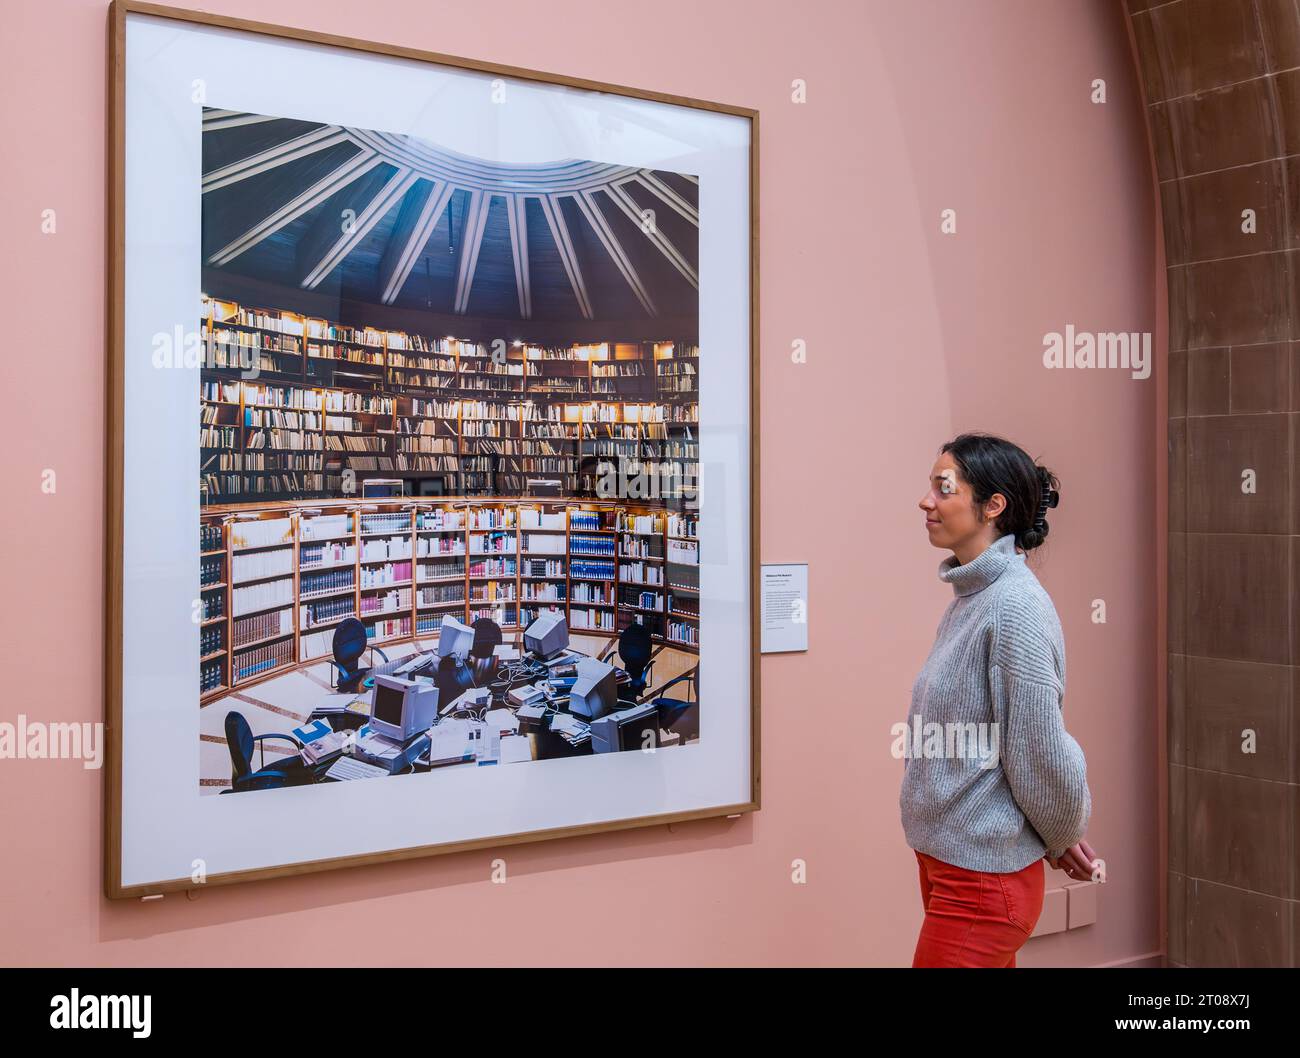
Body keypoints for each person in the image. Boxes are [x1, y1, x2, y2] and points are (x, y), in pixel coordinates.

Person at [901, 432, 1098, 968]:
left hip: (984, 885)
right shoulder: (973, 600)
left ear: (993, 506)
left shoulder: (1015, 609)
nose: (927, 502)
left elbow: (1038, 749)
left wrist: (1063, 832)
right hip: (950, 867)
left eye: (944, 489)